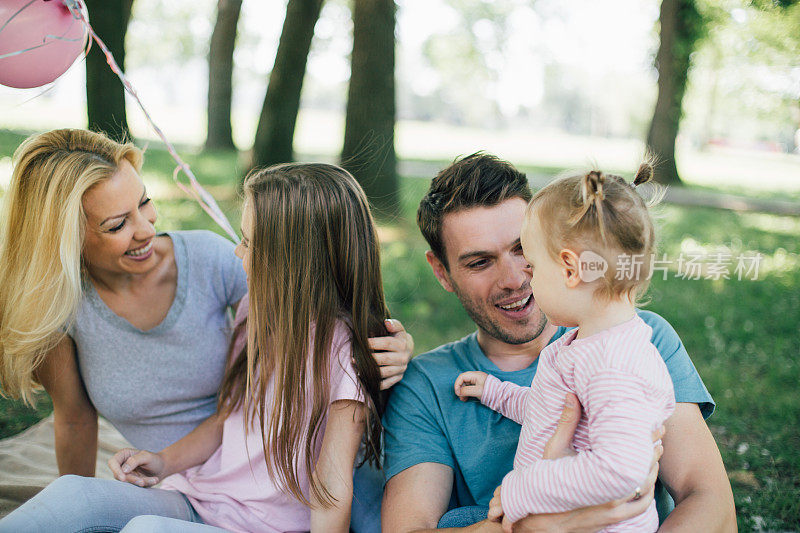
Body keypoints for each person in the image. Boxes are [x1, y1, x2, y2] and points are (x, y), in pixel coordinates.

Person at [0, 130, 411, 530]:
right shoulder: (254, 309)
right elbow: (225, 416)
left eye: (145, 202)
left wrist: (390, 344)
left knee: (145, 528)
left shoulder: (228, 273)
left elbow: (324, 291)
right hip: (201, 488)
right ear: (67, 237)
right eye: (116, 224)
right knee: (73, 498)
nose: (145, 229)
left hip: (258, 509)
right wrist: (161, 462)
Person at [381, 153, 736, 532]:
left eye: (523, 250)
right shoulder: (426, 385)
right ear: (442, 272)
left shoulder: (642, 343)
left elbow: (710, 504)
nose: (516, 278)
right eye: (480, 262)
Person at [454, 164, 675, 532]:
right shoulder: (589, 344)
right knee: (456, 521)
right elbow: (553, 412)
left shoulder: (613, 364)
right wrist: (495, 392)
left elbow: (619, 469)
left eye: (534, 267)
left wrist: (520, 490)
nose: (526, 280)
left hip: (591, 525)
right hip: (547, 519)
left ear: (570, 270)